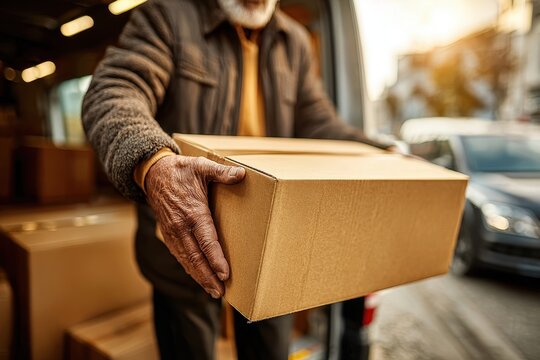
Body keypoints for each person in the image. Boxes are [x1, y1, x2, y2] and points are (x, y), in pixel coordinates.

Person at [82, 0, 392, 358]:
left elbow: (318, 123)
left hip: (270, 241)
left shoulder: (295, 41)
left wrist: (380, 151)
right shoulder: (167, 15)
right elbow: (113, 92)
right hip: (182, 240)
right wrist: (154, 162)